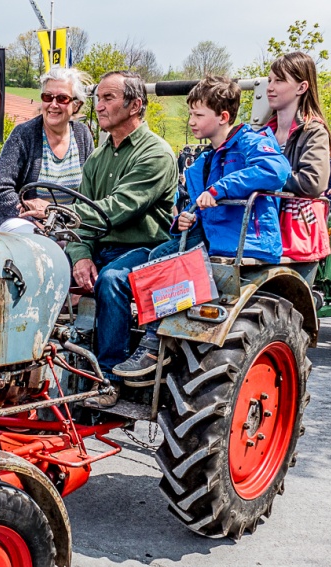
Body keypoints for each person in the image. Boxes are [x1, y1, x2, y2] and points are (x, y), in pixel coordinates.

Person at [112, 75, 290, 381]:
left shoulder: (251, 141)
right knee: (153, 257)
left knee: (166, 264)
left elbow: (275, 171)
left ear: (222, 117)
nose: (191, 121)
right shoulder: (203, 160)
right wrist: (183, 219)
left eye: (198, 115)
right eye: (191, 114)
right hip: (210, 237)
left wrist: (221, 189)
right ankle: (134, 338)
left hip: (244, 240)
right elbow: (192, 205)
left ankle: (155, 345)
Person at [23, 70, 176, 408]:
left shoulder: (156, 154)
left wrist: (55, 211)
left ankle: (108, 378)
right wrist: (79, 256)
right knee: (33, 268)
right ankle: (23, 377)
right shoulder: (98, 157)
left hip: (146, 249)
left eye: (108, 98)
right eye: (98, 98)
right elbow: (84, 219)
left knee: (111, 280)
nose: (99, 105)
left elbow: (117, 209)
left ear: (135, 105)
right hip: (102, 247)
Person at [0, 66, 96, 233]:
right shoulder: (24, 135)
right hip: (21, 221)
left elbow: (90, 192)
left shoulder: (82, 135)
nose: (53, 104)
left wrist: (57, 216)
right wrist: (31, 217)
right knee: (38, 240)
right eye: (47, 97)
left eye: (62, 98)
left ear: (76, 105)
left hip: (65, 224)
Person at [263, 51, 331, 261]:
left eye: (279, 80)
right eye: (269, 80)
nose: (270, 87)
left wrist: (264, 176)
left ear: (302, 87)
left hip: (297, 234)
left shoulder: (314, 132)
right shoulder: (263, 133)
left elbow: (312, 183)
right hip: (267, 230)